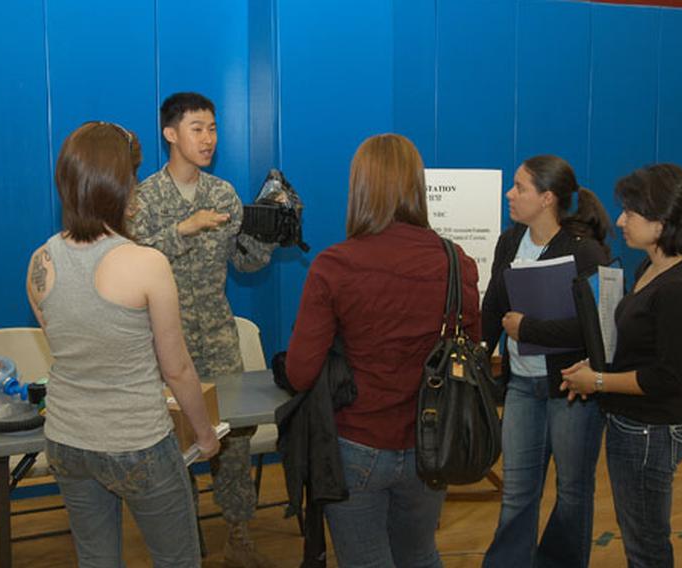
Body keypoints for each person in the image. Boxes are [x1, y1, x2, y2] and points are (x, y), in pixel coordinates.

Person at [26, 121, 220, 567]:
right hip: (137, 442)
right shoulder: (146, 263)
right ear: (121, 184)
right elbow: (177, 370)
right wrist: (206, 436)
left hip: (67, 440)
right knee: (178, 560)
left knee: (96, 560)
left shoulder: (40, 262)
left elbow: (70, 348)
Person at [284, 133, 480, 567]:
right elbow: (470, 351)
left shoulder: (335, 265)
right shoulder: (457, 262)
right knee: (421, 554)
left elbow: (300, 373)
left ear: (360, 189)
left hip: (358, 445)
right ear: (416, 186)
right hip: (433, 445)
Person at [128, 92, 277, 567]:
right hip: (160, 344)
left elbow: (246, 264)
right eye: (197, 128)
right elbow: (129, 266)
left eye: (212, 128)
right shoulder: (145, 198)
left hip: (216, 338)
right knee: (173, 445)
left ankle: (238, 531)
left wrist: (268, 233)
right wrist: (183, 230)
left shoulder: (223, 194)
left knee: (230, 442)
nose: (208, 138)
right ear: (170, 133)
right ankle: (183, 534)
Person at [561, 164, 682, 568]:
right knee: (640, 535)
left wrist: (600, 381)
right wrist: (594, 368)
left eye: (631, 213)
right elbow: (641, 350)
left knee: (646, 545)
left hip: (650, 432)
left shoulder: (677, 288)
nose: (620, 220)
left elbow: (665, 378)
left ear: (661, 224)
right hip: (633, 426)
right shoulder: (650, 268)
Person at [481, 155, 611, 567]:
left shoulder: (587, 253)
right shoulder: (509, 240)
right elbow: (493, 307)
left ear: (548, 198)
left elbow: (597, 332)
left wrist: (530, 329)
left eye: (519, 187)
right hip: (521, 386)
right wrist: (479, 354)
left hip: (571, 389)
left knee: (573, 491)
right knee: (518, 491)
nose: (510, 193)